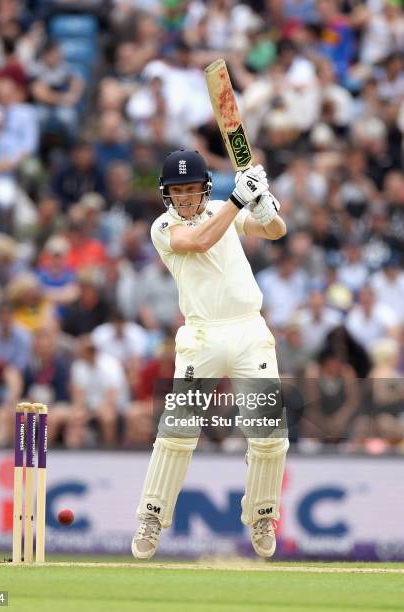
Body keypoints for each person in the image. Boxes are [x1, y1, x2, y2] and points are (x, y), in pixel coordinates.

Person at [131, 149, 288, 560]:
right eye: (176, 191)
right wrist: (239, 199)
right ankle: (152, 515)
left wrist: (265, 205)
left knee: (270, 435)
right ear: (166, 194)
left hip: (250, 331)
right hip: (203, 336)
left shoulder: (224, 208)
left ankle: (262, 512)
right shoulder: (163, 227)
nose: (184, 198)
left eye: (191, 189)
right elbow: (199, 240)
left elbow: (275, 232)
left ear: (204, 188)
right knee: (178, 432)